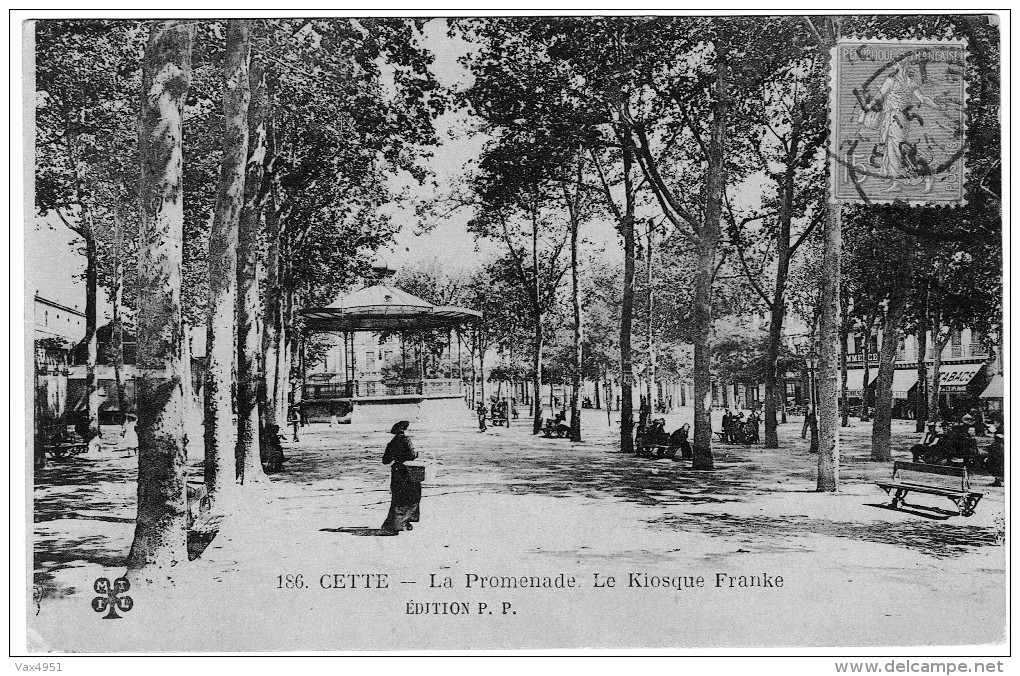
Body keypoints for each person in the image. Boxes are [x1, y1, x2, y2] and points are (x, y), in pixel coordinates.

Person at [381, 421, 421, 535]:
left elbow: (385, 460)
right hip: (408, 471)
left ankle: (393, 523)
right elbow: (412, 455)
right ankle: (403, 523)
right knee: (411, 496)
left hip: (397, 471)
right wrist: (417, 454)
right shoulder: (407, 440)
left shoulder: (391, 443)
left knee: (398, 497)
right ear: (404, 431)